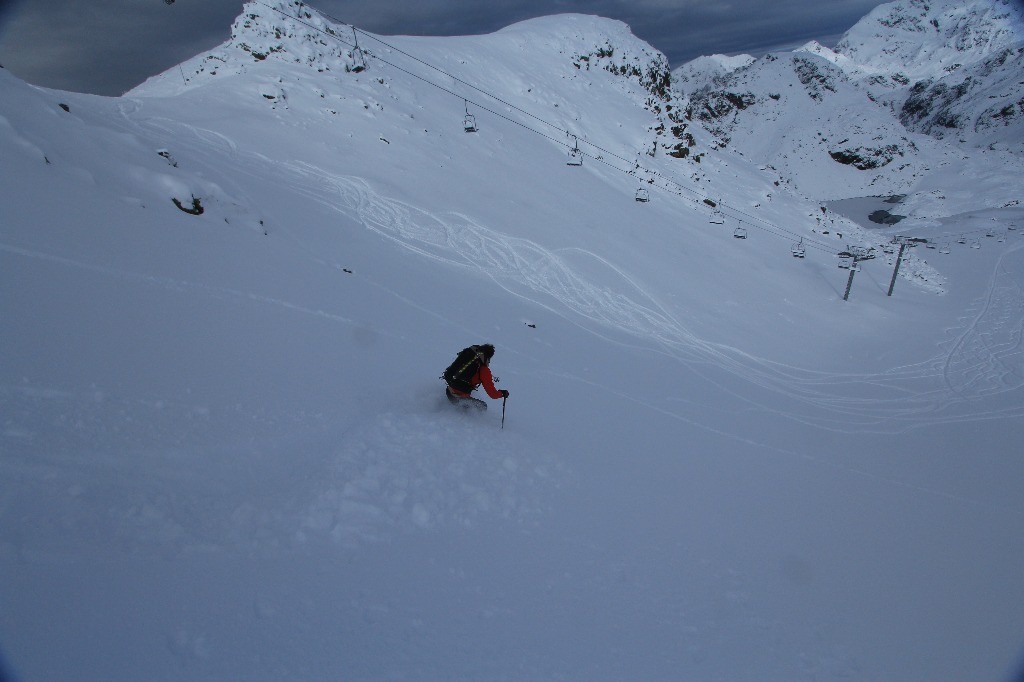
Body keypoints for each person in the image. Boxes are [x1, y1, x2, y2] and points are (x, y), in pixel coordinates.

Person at [443, 343, 509, 411]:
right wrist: (502, 393)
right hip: (459, 399)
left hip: (448, 392)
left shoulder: (467, 357)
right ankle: (469, 420)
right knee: (483, 406)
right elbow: (493, 394)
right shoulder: (483, 370)